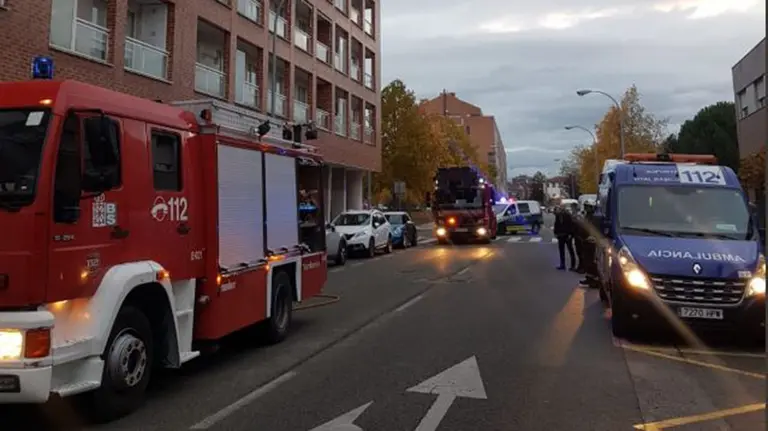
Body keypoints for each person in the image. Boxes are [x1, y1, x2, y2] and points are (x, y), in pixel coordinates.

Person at [579, 202, 599, 286]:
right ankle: (589, 278)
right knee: (587, 260)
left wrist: (591, 237)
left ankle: (594, 280)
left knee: (591, 261)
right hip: (585, 241)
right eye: (585, 206)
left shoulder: (594, 217)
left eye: (587, 206)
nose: (586, 208)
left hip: (591, 242)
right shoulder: (587, 216)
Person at [554, 206, 577, 270]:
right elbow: (556, 225)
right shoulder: (558, 216)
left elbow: (571, 225)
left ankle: (573, 265)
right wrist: (555, 233)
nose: (556, 212)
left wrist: (571, 234)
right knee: (561, 251)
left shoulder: (568, 215)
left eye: (558, 210)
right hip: (560, 235)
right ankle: (562, 265)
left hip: (567, 235)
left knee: (570, 250)